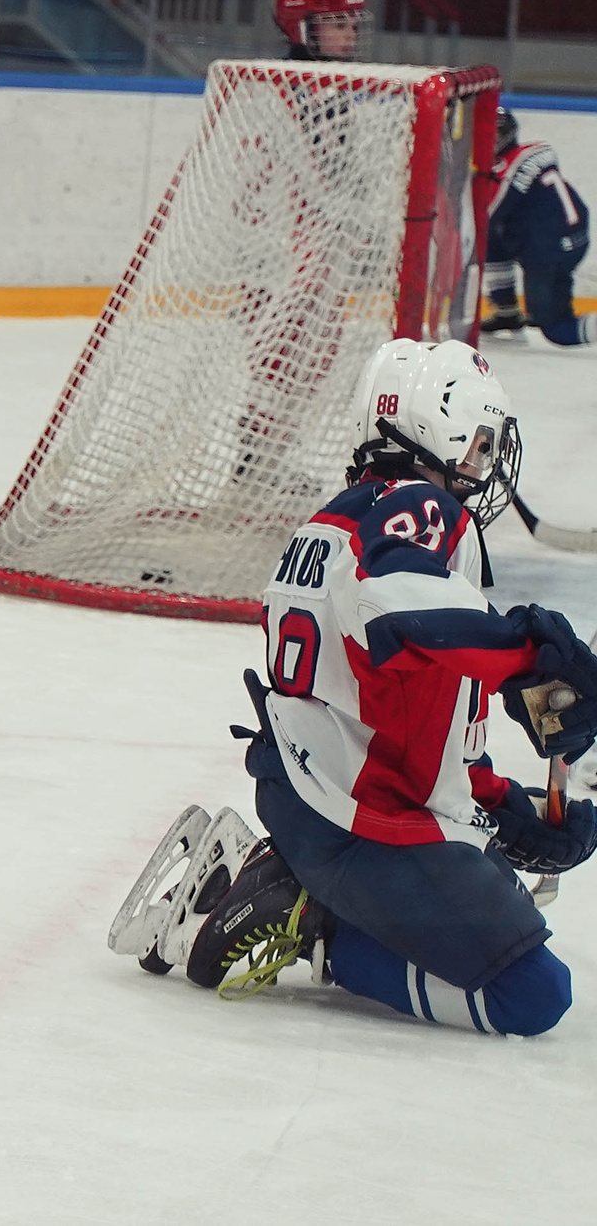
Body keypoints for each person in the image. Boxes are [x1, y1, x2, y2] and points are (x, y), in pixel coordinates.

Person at [111, 337, 597, 1036]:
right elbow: (395, 605)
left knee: (516, 894)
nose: (485, 464)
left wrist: (508, 811)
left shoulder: (334, 520)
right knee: (531, 994)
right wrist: (529, 652)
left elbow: (403, 720)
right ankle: (321, 926)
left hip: (305, 793)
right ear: (443, 430)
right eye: (480, 443)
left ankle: (295, 877)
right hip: (361, 827)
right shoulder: (427, 512)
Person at [483, 107, 589, 348]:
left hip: (552, 249)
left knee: (555, 329)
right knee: (492, 241)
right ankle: (507, 312)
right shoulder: (536, 150)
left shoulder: (508, 173)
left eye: (494, 134)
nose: (489, 140)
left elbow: (487, 215)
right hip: (571, 234)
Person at [272, 0, 366, 62]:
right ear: (298, 30)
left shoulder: (355, 75)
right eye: (339, 26)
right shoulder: (273, 76)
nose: (352, 36)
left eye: (354, 27)